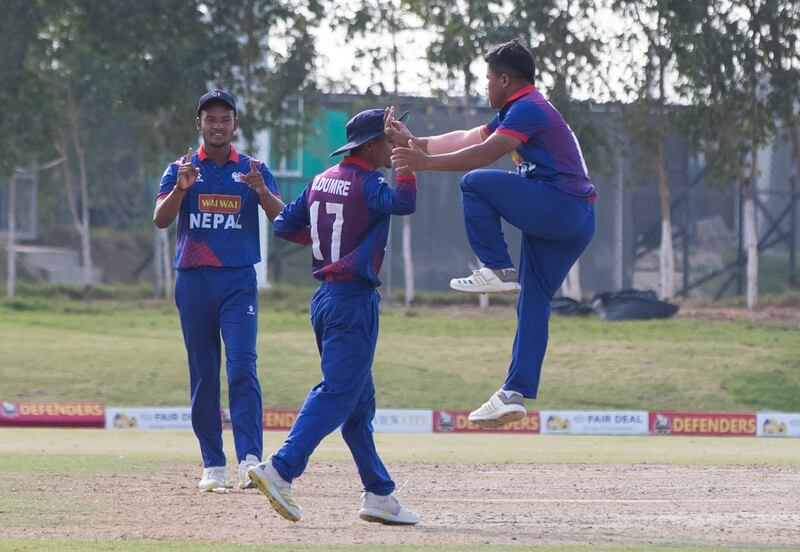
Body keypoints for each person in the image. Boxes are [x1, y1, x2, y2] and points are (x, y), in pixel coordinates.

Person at [389, 39, 597, 428]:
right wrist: (416, 143)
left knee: (475, 183)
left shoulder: (528, 108)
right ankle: (513, 393)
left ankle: (498, 267)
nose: (485, 86)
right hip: (573, 219)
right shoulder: (517, 111)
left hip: (560, 205)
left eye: (488, 78)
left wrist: (425, 163)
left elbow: (485, 154)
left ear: (505, 79)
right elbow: (471, 137)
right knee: (533, 302)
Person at [247, 108, 420, 525]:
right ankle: (281, 468)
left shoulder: (321, 180)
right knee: (339, 393)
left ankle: (379, 494)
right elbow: (405, 202)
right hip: (353, 302)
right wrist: (408, 158)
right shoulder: (370, 181)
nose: (392, 142)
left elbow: (285, 226)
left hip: (325, 299)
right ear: (372, 145)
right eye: (388, 138)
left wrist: (327, 240)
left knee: (358, 405)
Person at [153, 89, 284, 492]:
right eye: (210, 118)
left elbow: (284, 218)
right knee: (204, 374)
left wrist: (261, 191)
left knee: (242, 366)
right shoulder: (182, 168)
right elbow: (160, 220)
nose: (217, 125)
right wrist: (180, 189)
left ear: (235, 125)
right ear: (199, 124)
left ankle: (249, 460)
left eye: (224, 118)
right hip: (194, 280)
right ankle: (213, 464)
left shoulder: (253, 168)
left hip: (238, 280)